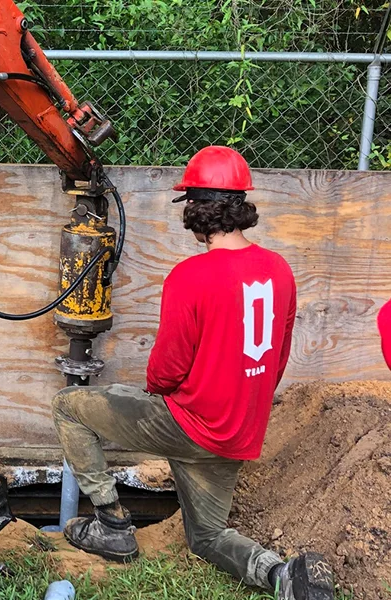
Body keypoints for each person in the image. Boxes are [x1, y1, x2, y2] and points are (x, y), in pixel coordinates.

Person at [51, 146, 335, 599]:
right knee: (207, 537)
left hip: (190, 424)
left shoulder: (191, 275)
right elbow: (278, 358)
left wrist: (159, 395)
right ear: (241, 206)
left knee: (68, 406)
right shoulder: (279, 271)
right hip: (237, 433)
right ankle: (281, 575)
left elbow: (165, 371)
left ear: (195, 211)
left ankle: (111, 525)